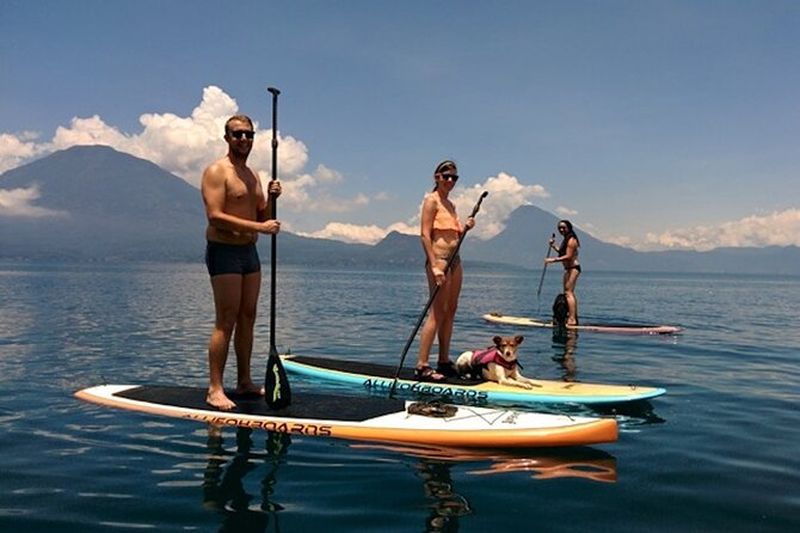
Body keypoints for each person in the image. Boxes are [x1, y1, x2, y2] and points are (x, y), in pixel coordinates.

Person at [201, 114, 282, 410]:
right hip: (224, 251)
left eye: (249, 135)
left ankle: (244, 380)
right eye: (238, 135)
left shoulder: (253, 176)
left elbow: (262, 216)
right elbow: (215, 216)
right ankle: (215, 388)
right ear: (227, 138)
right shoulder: (216, 171)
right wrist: (261, 229)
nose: (244, 140)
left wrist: (272, 199)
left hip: (249, 253)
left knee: (248, 316)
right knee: (227, 319)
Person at [415, 160, 475, 382]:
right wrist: (433, 265)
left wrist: (466, 227)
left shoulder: (451, 205)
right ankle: (422, 364)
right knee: (438, 312)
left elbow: (454, 235)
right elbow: (424, 234)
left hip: (455, 260)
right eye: (446, 176)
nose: (450, 180)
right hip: (439, 260)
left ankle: (443, 359)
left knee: (451, 310)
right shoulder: (431, 201)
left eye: (454, 178)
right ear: (436, 177)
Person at [545, 219, 581, 325]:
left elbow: (569, 256)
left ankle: (572, 319)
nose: (561, 229)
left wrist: (552, 260)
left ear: (569, 228)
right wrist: (553, 246)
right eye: (559, 228)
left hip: (573, 268)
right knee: (568, 293)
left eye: (564, 227)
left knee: (568, 293)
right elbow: (562, 253)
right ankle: (573, 317)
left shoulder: (571, 240)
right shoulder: (566, 239)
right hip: (568, 269)